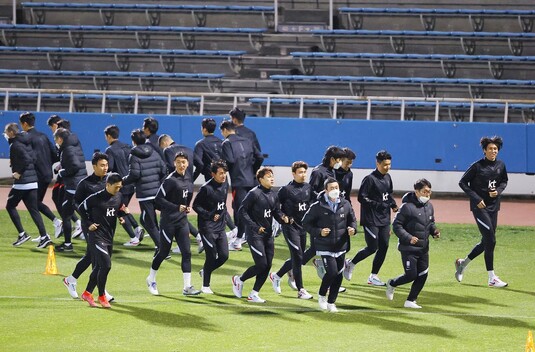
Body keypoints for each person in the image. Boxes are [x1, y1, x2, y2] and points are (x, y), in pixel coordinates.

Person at [455, 136, 509, 288]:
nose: (493, 151)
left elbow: (504, 181)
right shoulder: (477, 166)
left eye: (495, 149)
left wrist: (498, 191)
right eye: (490, 148)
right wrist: (476, 198)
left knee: (486, 241)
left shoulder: (501, 165)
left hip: (494, 207)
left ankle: (462, 264)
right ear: (484, 150)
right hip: (479, 208)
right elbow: (462, 182)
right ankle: (492, 278)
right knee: (491, 240)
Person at [231, 167, 290, 303]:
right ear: (261, 179)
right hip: (254, 234)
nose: (272, 178)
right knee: (261, 264)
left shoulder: (273, 194)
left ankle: (254, 294)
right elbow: (242, 211)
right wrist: (255, 227)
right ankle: (239, 280)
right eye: (268, 176)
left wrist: (283, 217)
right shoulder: (254, 193)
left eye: (272, 176)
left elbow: (276, 211)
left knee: (268, 265)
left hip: (268, 235)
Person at [146, 152, 201, 296]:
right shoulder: (170, 180)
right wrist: (176, 207)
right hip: (168, 222)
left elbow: (187, 197)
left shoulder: (189, 179)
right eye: (178, 162)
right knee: (163, 252)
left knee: (187, 253)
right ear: (174, 163)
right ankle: (151, 278)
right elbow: (158, 200)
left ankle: (187, 287)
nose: (181, 165)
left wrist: (186, 207)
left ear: (188, 163)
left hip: (182, 222)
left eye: (183, 162)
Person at [63, 152, 113, 302]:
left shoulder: (109, 182)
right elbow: (75, 203)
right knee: (98, 257)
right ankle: (101, 291)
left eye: (106, 165)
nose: (105, 168)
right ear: (94, 166)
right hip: (90, 225)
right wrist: (87, 220)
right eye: (102, 165)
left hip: (105, 224)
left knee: (91, 256)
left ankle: (71, 279)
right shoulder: (85, 184)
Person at [344, 150, 398, 286]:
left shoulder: (388, 178)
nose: (387, 167)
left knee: (384, 246)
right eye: (385, 165)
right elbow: (361, 197)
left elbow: (388, 195)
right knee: (372, 247)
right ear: (377, 163)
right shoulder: (369, 179)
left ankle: (373, 276)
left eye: (389, 164)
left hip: (384, 219)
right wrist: (377, 205)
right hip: (371, 219)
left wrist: (393, 205)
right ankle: (351, 263)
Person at [302, 178, 357, 312]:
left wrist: (352, 229)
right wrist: (319, 232)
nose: (335, 190)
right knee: (331, 272)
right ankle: (321, 295)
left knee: (338, 274)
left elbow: (353, 220)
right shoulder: (317, 206)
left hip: (341, 246)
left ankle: (332, 302)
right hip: (325, 246)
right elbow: (305, 223)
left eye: (336, 187)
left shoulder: (345, 204)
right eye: (331, 188)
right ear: (326, 190)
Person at [385, 178, 440, 309]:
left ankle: (411, 300)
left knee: (423, 274)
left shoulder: (429, 206)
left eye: (429, 192)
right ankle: (392, 283)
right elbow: (396, 226)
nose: (427, 195)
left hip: (423, 248)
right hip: (408, 248)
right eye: (424, 191)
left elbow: (430, 223)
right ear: (416, 191)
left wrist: (434, 231)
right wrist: (409, 237)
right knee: (411, 275)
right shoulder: (406, 207)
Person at [79, 173, 126, 308]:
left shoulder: (118, 196)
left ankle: (87, 293)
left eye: (120, 187)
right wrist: (88, 223)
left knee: (100, 267)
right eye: (116, 187)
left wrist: (121, 216)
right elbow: (81, 208)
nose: (118, 189)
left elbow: (117, 209)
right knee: (106, 265)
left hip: (109, 236)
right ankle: (101, 296)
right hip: (97, 236)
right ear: (108, 185)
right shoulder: (95, 198)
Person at [269, 161, 314, 300]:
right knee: (298, 256)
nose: (303, 175)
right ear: (293, 173)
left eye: (304, 172)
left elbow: (314, 201)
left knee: (299, 257)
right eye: (300, 172)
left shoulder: (308, 187)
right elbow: (275, 205)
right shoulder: (286, 190)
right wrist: (282, 217)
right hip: (290, 227)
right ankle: (301, 290)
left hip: (302, 228)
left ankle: (276, 276)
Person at [4, 122, 52, 248]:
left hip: (22, 182)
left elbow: (26, 160)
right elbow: (32, 158)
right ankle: (44, 236)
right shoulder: (26, 142)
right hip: (32, 181)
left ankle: (22, 233)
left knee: (10, 206)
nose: (5, 134)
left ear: (11, 133)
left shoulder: (15, 144)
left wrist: (18, 172)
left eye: (6, 132)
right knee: (33, 209)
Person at [220, 120, 264, 251]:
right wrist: (253, 170)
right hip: (251, 179)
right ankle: (247, 237)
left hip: (238, 181)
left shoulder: (227, 143)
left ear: (225, 130)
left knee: (240, 210)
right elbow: (259, 157)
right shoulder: (247, 141)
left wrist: (229, 170)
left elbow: (230, 160)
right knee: (250, 209)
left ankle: (239, 239)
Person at [19, 112, 63, 239]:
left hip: (36, 175)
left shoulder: (25, 137)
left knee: (31, 202)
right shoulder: (43, 136)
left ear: (25, 124)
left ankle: (55, 223)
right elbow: (55, 154)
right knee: (35, 202)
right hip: (47, 174)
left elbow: (26, 157)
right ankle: (45, 232)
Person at [304, 145, 346, 279]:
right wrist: (325, 196)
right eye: (339, 160)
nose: (340, 163)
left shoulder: (331, 171)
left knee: (318, 249)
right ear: (332, 159)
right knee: (317, 249)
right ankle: (289, 269)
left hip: (328, 214)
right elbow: (311, 192)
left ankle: (325, 274)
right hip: (319, 216)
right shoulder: (318, 172)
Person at [193, 117, 238, 239]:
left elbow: (198, 163)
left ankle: (213, 233)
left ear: (203, 129)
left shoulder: (200, 144)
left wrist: (194, 177)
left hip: (212, 180)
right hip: (224, 178)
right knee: (221, 205)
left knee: (210, 206)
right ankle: (232, 229)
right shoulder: (222, 141)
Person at [159, 133, 204, 254]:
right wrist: (191, 179)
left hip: (176, 186)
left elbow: (170, 167)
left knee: (176, 213)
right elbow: (200, 165)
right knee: (182, 213)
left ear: (164, 143)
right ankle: (195, 239)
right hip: (188, 186)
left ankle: (192, 239)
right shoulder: (189, 149)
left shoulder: (167, 150)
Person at [122, 129, 167, 248]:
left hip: (145, 194)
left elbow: (134, 175)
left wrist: (123, 181)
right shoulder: (154, 151)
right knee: (150, 219)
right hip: (158, 192)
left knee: (149, 222)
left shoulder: (134, 155)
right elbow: (163, 169)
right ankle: (162, 244)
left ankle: (162, 248)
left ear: (133, 141)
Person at [192, 160, 231, 294]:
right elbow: (195, 206)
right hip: (207, 227)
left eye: (225, 173)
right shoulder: (206, 189)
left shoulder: (226, 184)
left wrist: (225, 220)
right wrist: (209, 215)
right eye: (220, 173)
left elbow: (223, 205)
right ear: (213, 174)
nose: (223, 175)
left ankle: (205, 271)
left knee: (224, 256)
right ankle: (205, 286)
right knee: (211, 256)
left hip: (220, 227)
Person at [104, 125, 145, 246]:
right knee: (122, 207)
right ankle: (137, 228)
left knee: (118, 211)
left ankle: (134, 237)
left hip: (120, 184)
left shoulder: (110, 150)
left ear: (109, 136)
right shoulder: (128, 146)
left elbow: (110, 167)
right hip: (131, 183)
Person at [46, 116, 83, 240]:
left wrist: (62, 172)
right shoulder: (73, 141)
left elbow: (74, 163)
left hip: (72, 180)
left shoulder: (67, 145)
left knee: (66, 203)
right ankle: (78, 225)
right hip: (75, 179)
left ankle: (76, 228)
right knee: (62, 200)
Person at [53, 127, 88, 252]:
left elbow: (75, 165)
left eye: (56, 139)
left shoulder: (67, 149)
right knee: (84, 214)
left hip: (73, 187)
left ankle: (68, 245)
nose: (55, 141)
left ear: (60, 139)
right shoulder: (75, 145)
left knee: (66, 215)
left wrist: (62, 172)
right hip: (80, 184)